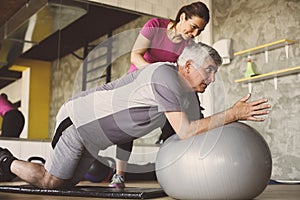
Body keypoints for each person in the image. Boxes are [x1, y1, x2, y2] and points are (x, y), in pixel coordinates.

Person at [0, 42, 271, 189]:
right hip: (78, 122)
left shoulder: (183, 91)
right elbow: (186, 131)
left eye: (215, 73)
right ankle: (4, 159)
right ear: (188, 66)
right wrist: (233, 114)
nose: (212, 79)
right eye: (209, 70)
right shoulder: (165, 77)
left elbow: (192, 128)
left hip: (94, 138)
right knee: (51, 182)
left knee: (67, 184)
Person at [111, 1, 210, 188]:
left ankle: (172, 173)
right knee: (128, 130)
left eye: (199, 31)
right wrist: (157, 75)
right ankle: (119, 175)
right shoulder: (155, 26)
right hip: (138, 82)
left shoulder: (188, 44)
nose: (195, 34)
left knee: (172, 127)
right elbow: (135, 56)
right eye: (193, 27)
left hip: (164, 88)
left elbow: (186, 73)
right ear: (182, 17)